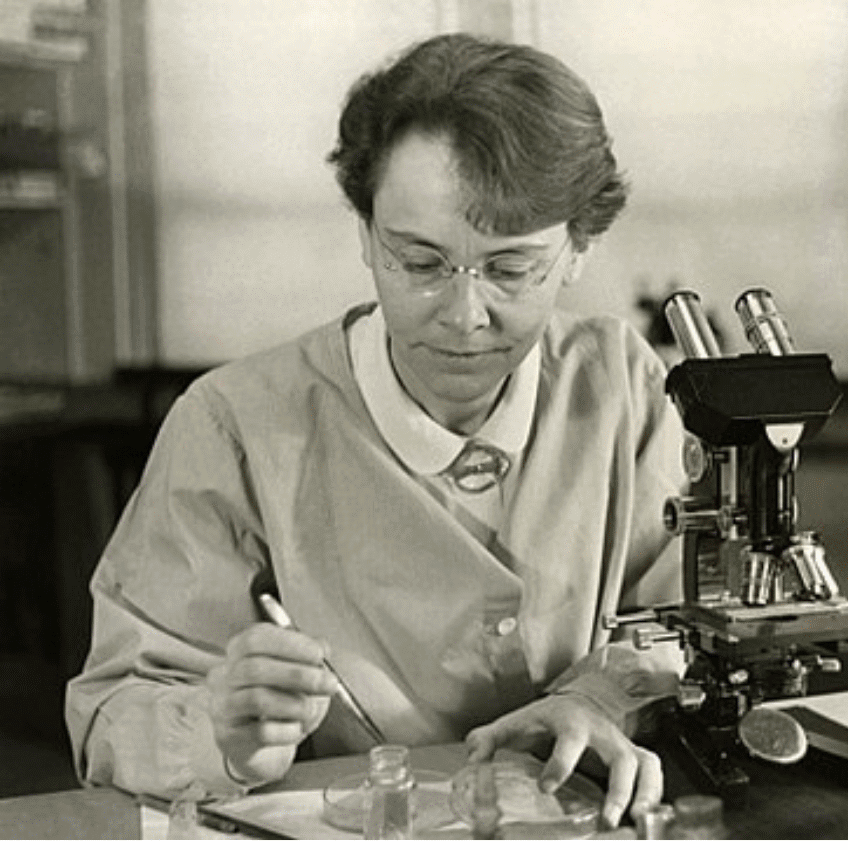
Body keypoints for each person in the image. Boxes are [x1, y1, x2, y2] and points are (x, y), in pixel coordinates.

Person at [64, 33, 683, 830]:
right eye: (420, 263)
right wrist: (215, 732)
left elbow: (689, 626)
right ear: (364, 231)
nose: (464, 318)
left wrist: (599, 697)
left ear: (578, 250)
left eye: (510, 269)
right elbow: (110, 712)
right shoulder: (233, 425)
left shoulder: (624, 386)